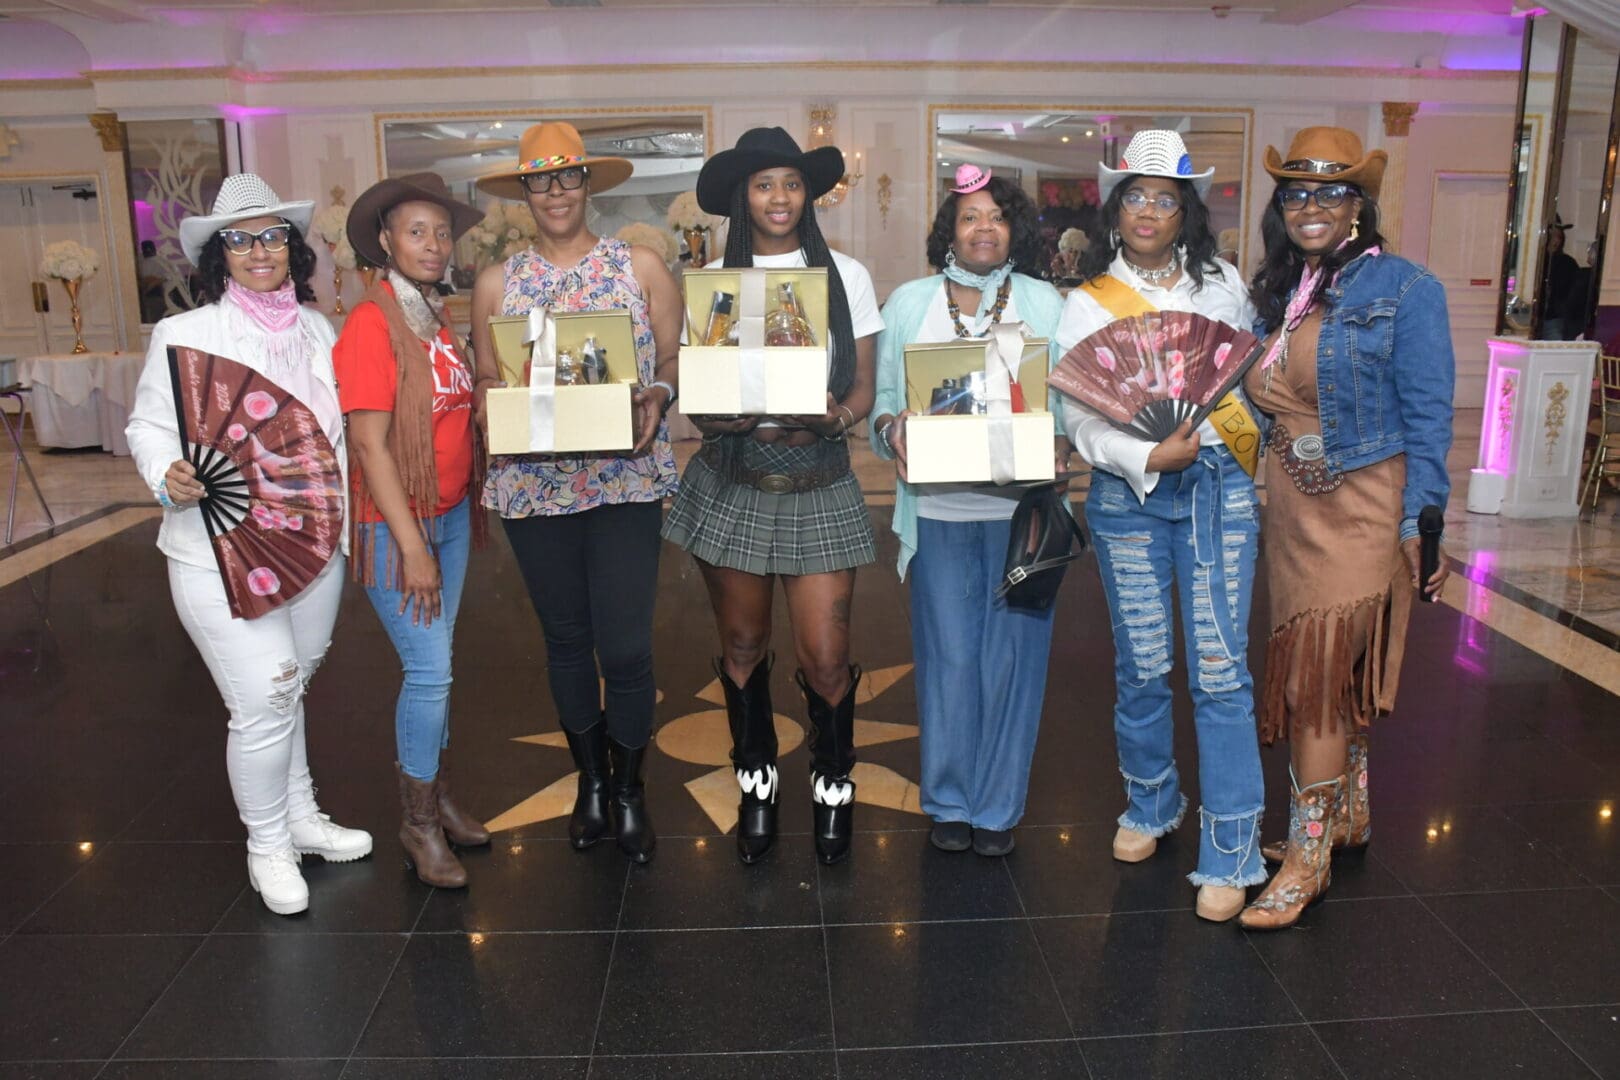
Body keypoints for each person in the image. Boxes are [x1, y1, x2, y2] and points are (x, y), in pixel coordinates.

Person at [126, 174, 372, 916]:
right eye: (241, 239)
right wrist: (166, 474)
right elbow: (146, 427)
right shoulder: (185, 336)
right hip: (217, 548)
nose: (259, 251)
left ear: (291, 249)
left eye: (272, 237)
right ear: (219, 255)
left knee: (293, 682)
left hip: (309, 548)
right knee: (264, 695)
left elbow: (330, 442)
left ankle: (300, 815)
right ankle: (266, 844)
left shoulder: (319, 332)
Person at [1240, 127, 1453, 930]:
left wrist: (1420, 522)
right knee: (1331, 669)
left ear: (1359, 203)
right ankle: (1347, 817)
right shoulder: (1289, 288)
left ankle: (1306, 859)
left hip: (1364, 504)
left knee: (1319, 678)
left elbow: (1431, 419)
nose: (1311, 207)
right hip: (1293, 511)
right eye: (1296, 194)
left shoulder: (1407, 288)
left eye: (1330, 192)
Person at [1053, 130, 1267, 923]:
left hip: (1218, 491)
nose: (1148, 211)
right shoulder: (1086, 302)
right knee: (1143, 664)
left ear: (1185, 212)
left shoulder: (1225, 288)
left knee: (1220, 670)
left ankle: (1234, 847)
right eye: (1136, 197)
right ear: (1118, 208)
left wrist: (1209, 445)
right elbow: (1076, 414)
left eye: (1164, 199)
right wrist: (1146, 455)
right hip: (1127, 494)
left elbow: (1244, 381)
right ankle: (1151, 804)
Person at [662, 127, 885, 867]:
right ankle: (754, 775)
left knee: (827, 655)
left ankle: (832, 780)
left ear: (809, 193)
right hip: (735, 478)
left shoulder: (845, 276)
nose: (779, 198)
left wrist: (841, 417)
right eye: (763, 185)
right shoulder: (714, 280)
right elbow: (700, 387)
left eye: (790, 183)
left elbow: (862, 385)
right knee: (743, 645)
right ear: (741, 197)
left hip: (819, 477)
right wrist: (709, 413)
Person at [470, 122, 682, 866]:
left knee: (624, 646)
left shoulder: (644, 267)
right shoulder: (497, 283)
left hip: (624, 479)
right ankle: (590, 783)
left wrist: (656, 394)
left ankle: (630, 789)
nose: (554, 191)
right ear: (523, 191)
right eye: (540, 179)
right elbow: (488, 381)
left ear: (589, 185)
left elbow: (670, 366)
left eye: (567, 177)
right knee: (566, 643)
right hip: (535, 485)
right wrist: (495, 401)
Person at [869, 163, 1068, 857]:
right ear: (948, 230)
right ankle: (950, 800)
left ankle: (998, 806)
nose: (984, 227)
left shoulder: (1046, 304)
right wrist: (893, 429)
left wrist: (1064, 440)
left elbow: (1069, 401)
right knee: (949, 657)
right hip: (941, 511)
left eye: (997, 215)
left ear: (1014, 228)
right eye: (969, 217)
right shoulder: (910, 304)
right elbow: (885, 401)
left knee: (1014, 662)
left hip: (1024, 516)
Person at [336, 172, 488, 889]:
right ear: (387, 241)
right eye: (416, 231)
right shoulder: (373, 321)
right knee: (429, 672)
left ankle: (439, 795)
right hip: (398, 527)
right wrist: (410, 546)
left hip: (450, 514)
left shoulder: (433, 313)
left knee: (438, 665)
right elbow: (368, 444)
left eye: (441, 231)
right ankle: (419, 824)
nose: (433, 244)